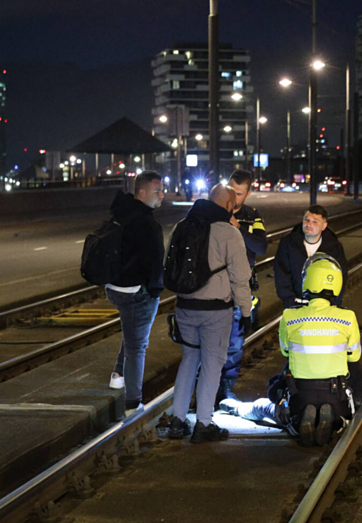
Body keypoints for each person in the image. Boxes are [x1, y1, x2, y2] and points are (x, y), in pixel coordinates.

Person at [222, 253, 360, 446]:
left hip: (299, 393)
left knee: (267, 409)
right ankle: (334, 421)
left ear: (307, 280)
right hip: (334, 391)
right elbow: (354, 356)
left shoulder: (290, 316)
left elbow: (286, 351)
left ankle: (237, 407)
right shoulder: (347, 317)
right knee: (344, 416)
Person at [167, 184, 253, 442]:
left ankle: (177, 419)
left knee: (189, 360)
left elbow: (170, 265)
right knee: (212, 365)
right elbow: (240, 278)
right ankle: (204, 423)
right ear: (228, 206)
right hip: (215, 311)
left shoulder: (182, 226)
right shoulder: (228, 232)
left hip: (185, 308)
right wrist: (246, 312)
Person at [105, 171, 165, 415]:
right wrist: (154, 290)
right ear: (142, 192)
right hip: (135, 292)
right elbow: (154, 263)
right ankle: (132, 402)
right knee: (137, 345)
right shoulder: (147, 224)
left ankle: (118, 375)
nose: (162, 195)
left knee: (131, 333)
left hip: (114, 287)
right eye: (157, 191)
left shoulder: (120, 214)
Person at [217, 169, 268, 403]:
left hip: (240, 287)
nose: (233, 197)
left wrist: (238, 227)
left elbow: (261, 247)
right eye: (231, 191)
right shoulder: (214, 211)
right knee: (211, 340)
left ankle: (226, 389)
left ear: (247, 193)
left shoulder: (252, 216)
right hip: (216, 287)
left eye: (238, 193)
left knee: (235, 344)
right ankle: (207, 387)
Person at [273, 205, 347, 309]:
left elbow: (341, 275)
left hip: (324, 307)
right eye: (306, 220)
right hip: (295, 305)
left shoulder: (334, 247)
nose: (309, 224)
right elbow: (281, 272)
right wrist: (289, 300)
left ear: (324, 226)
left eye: (315, 221)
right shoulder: (288, 243)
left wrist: (333, 303)